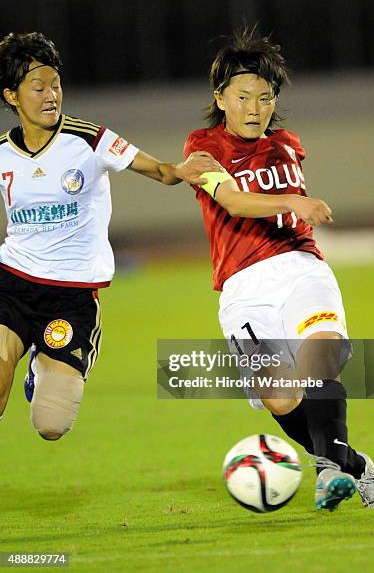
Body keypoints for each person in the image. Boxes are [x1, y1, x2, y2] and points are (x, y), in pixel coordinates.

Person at [183, 27, 374, 511]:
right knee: (280, 398)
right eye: (243, 97)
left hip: (302, 268)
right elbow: (234, 201)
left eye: (265, 97)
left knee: (320, 362)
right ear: (221, 98)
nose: (255, 108)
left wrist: (295, 207)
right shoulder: (202, 147)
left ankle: (327, 474)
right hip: (244, 288)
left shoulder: (287, 143)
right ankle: (351, 463)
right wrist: (294, 200)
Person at [0, 31, 222, 442]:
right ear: (12, 96)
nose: (51, 95)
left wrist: (182, 169)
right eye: (38, 87)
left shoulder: (89, 139)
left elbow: (158, 169)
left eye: (56, 84)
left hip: (72, 295)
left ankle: (41, 365)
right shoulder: (2, 151)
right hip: (11, 283)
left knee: (50, 423)